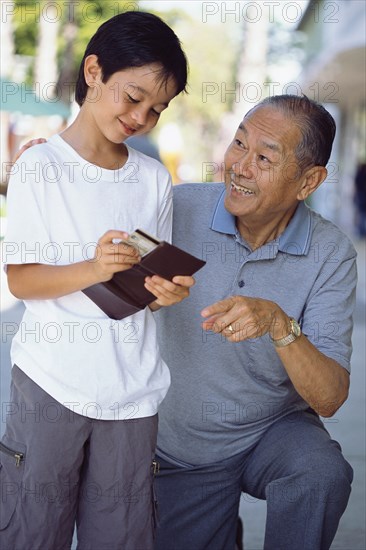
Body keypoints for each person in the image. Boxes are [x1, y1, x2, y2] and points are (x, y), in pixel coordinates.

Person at [0, 11, 194, 550]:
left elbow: (147, 282)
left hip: (133, 395)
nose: (141, 116)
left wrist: (165, 294)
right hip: (51, 384)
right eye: (132, 97)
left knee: (124, 536)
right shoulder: (40, 168)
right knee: (33, 532)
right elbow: (21, 281)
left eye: (156, 109)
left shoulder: (154, 178)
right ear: (93, 71)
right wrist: (93, 267)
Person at [154, 95, 357, 550]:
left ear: (309, 181)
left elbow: (329, 398)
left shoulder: (331, 252)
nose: (240, 166)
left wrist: (278, 322)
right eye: (238, 144)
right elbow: (99, 246)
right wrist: (40, 170)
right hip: (183, 449)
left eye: (264, 157)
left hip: (270, 432)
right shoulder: (177, 208)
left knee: (320, 473)